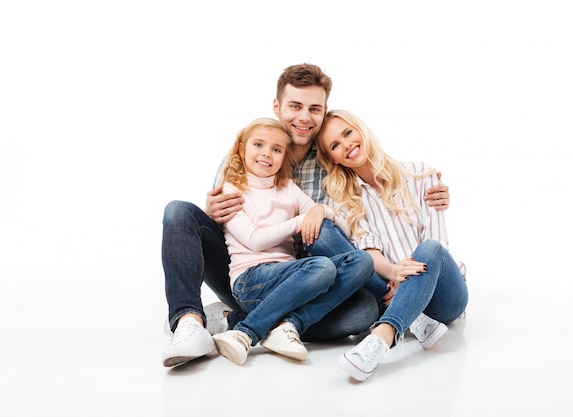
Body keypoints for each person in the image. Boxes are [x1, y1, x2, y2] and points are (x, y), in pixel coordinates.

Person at [161, 63, 451, 367]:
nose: (303, 117)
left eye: (314, 109)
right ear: (277, 106)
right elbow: (234, 233)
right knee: (179, 212)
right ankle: (190, 324)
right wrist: (212, 214)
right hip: (247, 273)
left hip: (312, 282)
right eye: (295, 106)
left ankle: (241, 321)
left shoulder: (332, 162)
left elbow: (359, 210)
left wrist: (425, 186)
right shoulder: (250, 153)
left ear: (324, 112)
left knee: (365, 308)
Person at [317, 109, 469, 382]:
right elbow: (368, 248)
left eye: (348, 133)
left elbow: (435, 242)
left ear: (360, 130)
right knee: (355, 259)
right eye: (335, 146)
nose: (346, 145)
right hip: (390, 287)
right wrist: (391, 272)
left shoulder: (422, 174)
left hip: (444, 296)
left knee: (431, 248)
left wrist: (405, 280)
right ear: (333, 159)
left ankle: (382, 336)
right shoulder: (345, 199)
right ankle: (413, 321)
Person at [210, 117, 373, 365]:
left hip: (293, 282)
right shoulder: (232, 190)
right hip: (251, 281)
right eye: (258, 145)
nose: (267, 154)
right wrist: (300, 222)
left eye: (276, 150)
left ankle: (286, 325)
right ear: (242, 149)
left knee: (362, 261)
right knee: (322, 266)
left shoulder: (288, 189)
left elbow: (340, 223)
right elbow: (254, 240)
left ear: (285, 157)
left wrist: (321, 211)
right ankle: (245, 332)